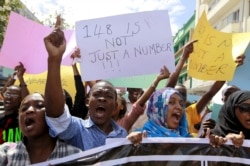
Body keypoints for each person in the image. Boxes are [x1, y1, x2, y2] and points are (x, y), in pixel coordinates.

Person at [43, 16, 128, 151]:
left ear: (115, 106)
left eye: (109, 96)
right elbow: (56, 116)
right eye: (97, 94)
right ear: (88, 101)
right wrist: (54, 59)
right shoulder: (77, 129)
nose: (102, 98)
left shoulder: (122, 135)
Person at [166, 40, 245, 137]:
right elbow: (167, 89)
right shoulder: (161, 114)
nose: (179, 98)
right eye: (174, 96)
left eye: (183, 95)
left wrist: (230, 68)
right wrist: (183, 57)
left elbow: (210, 93)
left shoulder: (189, 113)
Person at [0, 93, 82, 165]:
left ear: (51, 116)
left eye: (39, 106)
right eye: (24, 108)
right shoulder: (6, 151)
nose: (29, 110)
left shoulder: (74, 155)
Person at [114, 66, 171, 132]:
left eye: (138, 89)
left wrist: (158, 80)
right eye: (132, 88)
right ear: (128, 90)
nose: (135, 90)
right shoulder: (121, 106)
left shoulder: (149, 106)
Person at [0, 62, 29, 144]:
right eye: (8, 94)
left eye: (14, 94)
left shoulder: (20, 120)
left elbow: (26, 100)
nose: (9, 97)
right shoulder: (2, 118)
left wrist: (21, 79)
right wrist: (13, 78)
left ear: (20, 100)